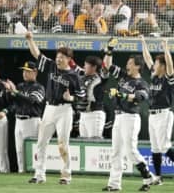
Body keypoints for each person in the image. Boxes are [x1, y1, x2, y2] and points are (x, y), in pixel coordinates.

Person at [25, 31, 85, 184]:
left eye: (62, 57)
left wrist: (71, 98)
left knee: (63, 144)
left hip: (64, 110)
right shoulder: (52, 66)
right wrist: (30, 39)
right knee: (41, 142)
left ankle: (66, 175)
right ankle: (39, 174)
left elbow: (82, 96)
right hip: (49, 108)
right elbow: (36, 54)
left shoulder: (74, 76)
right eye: (58, 56)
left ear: (69, 60)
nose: (58, 59)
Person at [102, 39, 154, 191]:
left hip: (131, 118)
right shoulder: (124, 76)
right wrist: (110, 49)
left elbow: (138, 98)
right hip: (119, 117)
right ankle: (114, 184)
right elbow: (108, 65)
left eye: (130, 63)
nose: (127, 65)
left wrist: (120, 94)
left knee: (131, 151)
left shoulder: (142, 83)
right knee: (116, 152)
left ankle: (147, 176)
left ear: (138, 66)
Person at [141, 35, 174, 185]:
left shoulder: (167, 78)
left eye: (156, 63)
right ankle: (159, 177)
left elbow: (170, 65)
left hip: (164, 114)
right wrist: (143, 42)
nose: (153, 65)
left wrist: (165, 46)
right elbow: (147, 58)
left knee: (164, 146)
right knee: (154, 148)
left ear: (162, 66)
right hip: (152, 115)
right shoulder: (154, 76)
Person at [3, 61, 45, 173]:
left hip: (32, 121)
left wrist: (15, 91)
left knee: (33, 149)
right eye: (24, 71)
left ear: (35, 72)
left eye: (28, 71)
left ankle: (36, 171)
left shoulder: (39, 87)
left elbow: (32, 100)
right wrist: (9, 92)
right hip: (19, 120)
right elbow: (14, 102)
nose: (25, 73)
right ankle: (21, 171)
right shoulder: (20, 86)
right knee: (19, 150)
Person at [74, 56, 107, 138]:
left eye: (86, 65)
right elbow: (73, 65)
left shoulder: (100, 78)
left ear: (94, 67)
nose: (84, 66)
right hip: (83, 114)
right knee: (83, 142)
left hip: (95, 114)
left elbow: (106, 68)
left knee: (94, 141)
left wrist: (108, 52)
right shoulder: (82, 75)